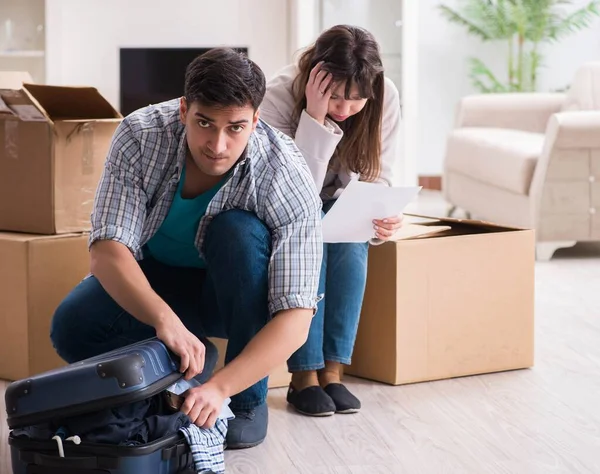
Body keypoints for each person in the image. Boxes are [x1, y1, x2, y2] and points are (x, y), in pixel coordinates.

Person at [50, 48, 323, 449]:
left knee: (238, 232)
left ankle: (246, 402)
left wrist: (221, 388)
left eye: (235, 128)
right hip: (156, 279)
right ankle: (182, 368)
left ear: (255, 121)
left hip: (234, 297)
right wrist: (167, 322)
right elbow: (108, 249)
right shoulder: (140, 134)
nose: (217, 144)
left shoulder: (284, 171)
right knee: (71, 328)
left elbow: (297, 316)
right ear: (183, 110)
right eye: (204, 123)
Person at [260, 25, 403, 416]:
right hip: (283, 200)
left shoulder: (384, 96)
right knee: (312, 242)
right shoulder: (278, 93)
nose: (344, 108)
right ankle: (303, 376)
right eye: (336, 96)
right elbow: (294, 185)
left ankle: (334, 372)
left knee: (352, 241)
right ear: (314, 76)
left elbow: (380, 173)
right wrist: (314, 115)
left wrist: (382, 212)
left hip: (338, 200)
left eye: (356, 100)